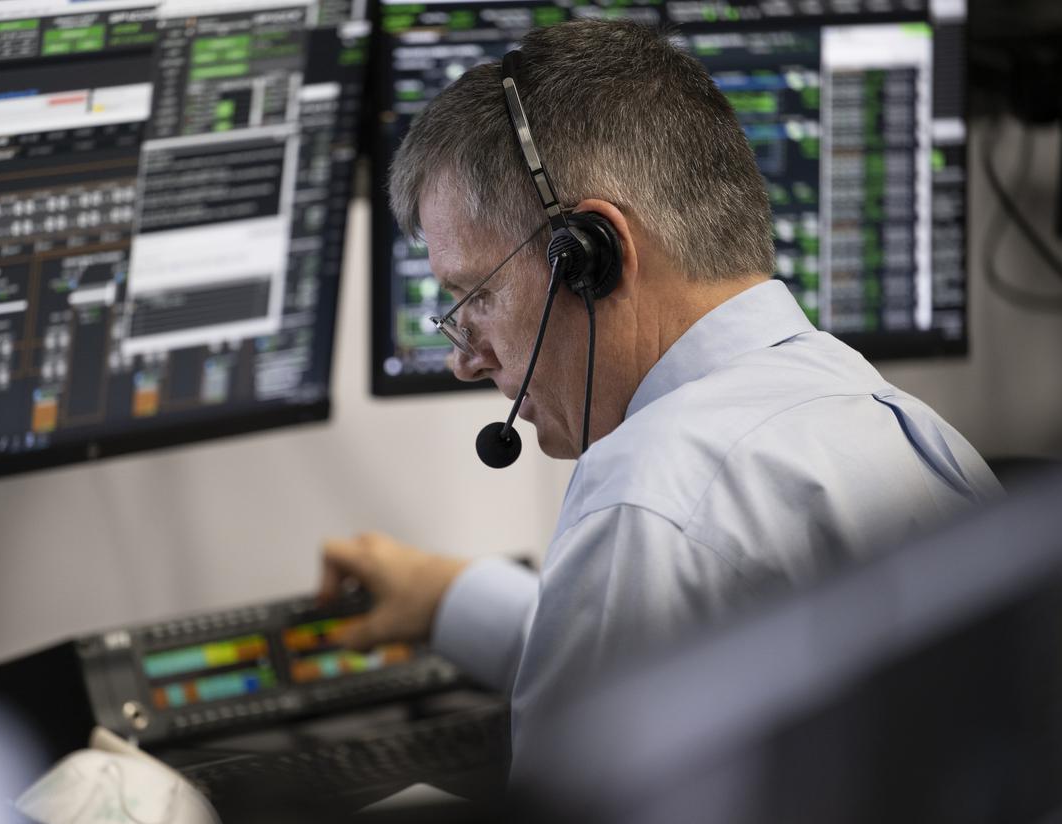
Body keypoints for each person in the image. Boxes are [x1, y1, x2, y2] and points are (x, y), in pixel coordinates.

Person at [319, 20, 1002, 774]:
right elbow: (708, 656)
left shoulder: (648, 501)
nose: (466, 358)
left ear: (590, 256)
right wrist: (450, 595)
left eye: (472, 294)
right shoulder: (892, 421)